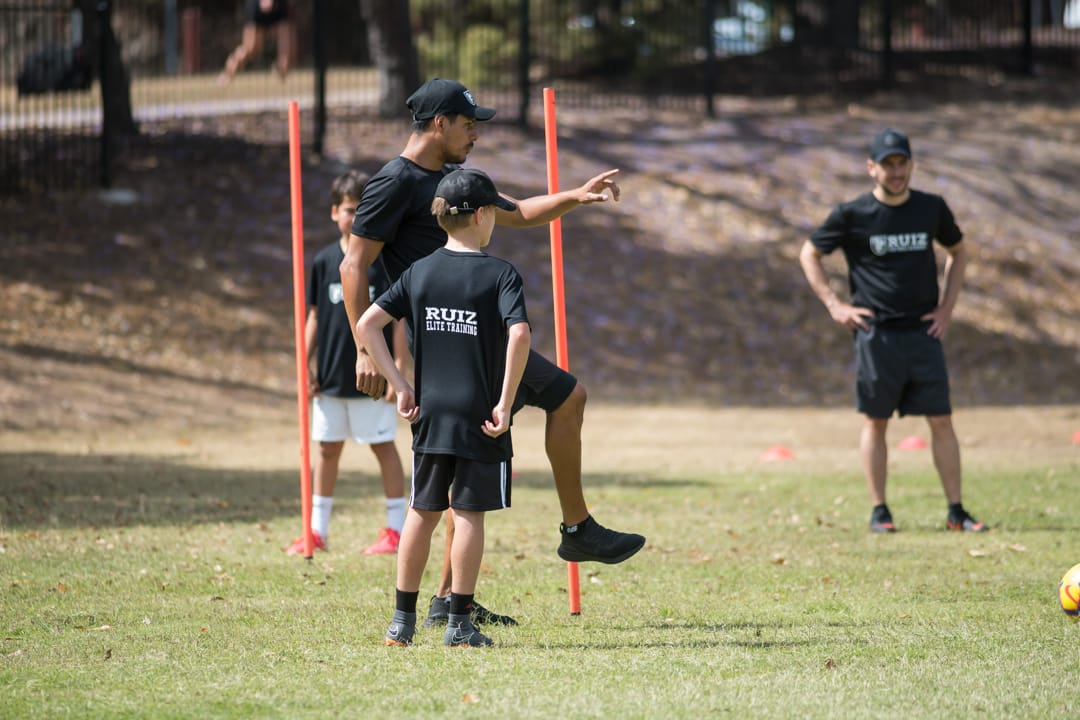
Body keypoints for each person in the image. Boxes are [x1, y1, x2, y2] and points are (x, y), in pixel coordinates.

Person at [340, 78, 646, 624]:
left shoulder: (454, 182)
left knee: (477, 464)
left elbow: (522, 211)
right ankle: (575, 530)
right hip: (454, 346)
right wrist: (367, 353)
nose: (475, 133)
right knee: (567, 399)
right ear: (439, 124)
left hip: (477, 337)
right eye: (468, 123)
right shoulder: (394, 181)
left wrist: (576, 195)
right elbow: (352, 265)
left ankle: (445, 603)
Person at [359, 168, 531, 647]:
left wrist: (401, 386)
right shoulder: (501, 273)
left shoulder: (419, 271)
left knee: (423, 510)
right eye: (494, 210)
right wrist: (505, 400)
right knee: (470, 515)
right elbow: (519, 332)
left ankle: (401, 622)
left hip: (430, 413)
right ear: (481, 215)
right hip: (480, 416)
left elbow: (367, 325)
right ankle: (458, 623)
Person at [799, 127, 988, 534]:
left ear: (911, 165)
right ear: (872, 168)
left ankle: (956, 510)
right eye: (888, 165)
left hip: (924, 333)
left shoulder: (931, 208)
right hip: (876, 334)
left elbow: (958, 251)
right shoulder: (852, 214)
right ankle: (880, 511)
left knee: (941, 419)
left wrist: (947, 308)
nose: (897, 171)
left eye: (902, 163)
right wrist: (835, 305)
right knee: (876, 421)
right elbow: (809, 252)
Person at [285, 171, 409, 557]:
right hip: (332, 377)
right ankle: (316, 532)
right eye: (348, 210)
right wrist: (303, 365)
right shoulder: (324, 261)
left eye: (362, 210)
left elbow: (400, 320)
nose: (354, 218)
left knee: (383, 447)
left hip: (375, 376)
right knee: (326, 450)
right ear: (334, 212)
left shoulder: (382, 260)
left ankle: (396, 530)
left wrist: (399, 370)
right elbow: (315, 317)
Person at [219, 0, 293, 83]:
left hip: (279, 5)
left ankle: (281, 70)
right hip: (258, 6)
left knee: (286, 47)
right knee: (251, 48)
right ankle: (228, 73)